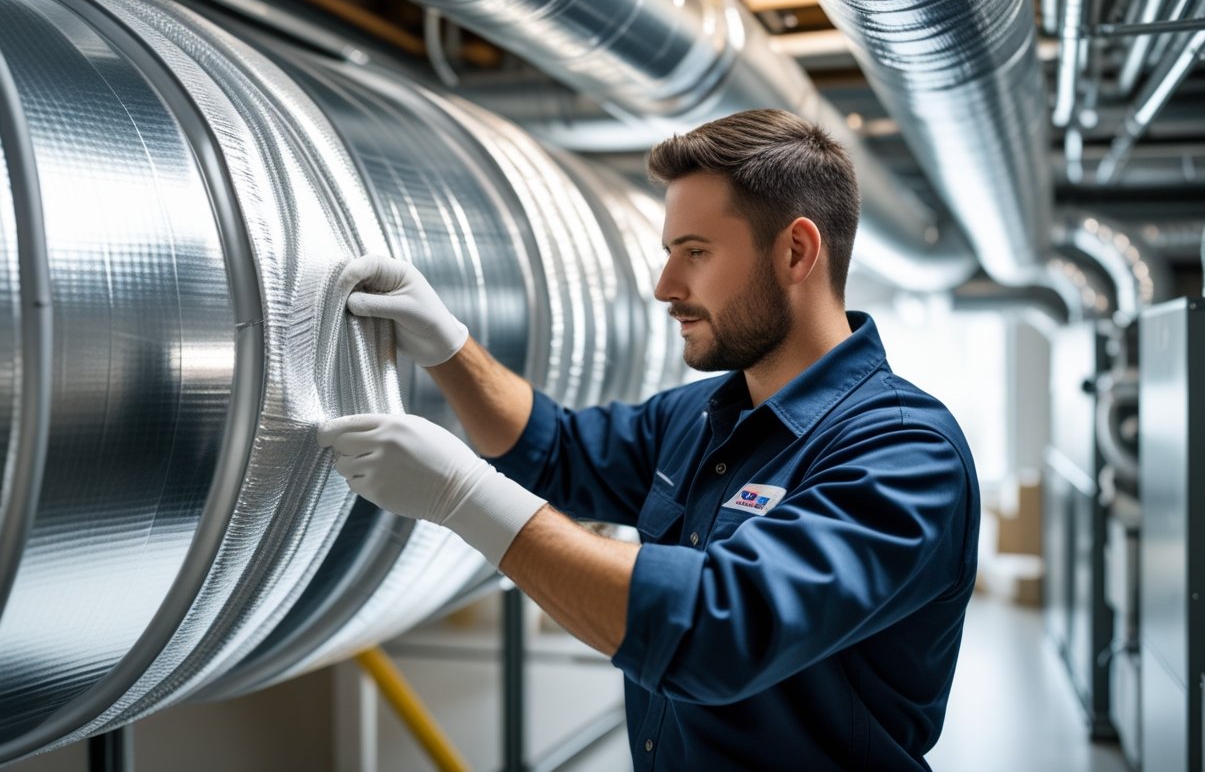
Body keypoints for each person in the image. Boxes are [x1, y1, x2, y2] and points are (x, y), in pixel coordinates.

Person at [317, 108, 980, 771]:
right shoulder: (698, 415)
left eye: (695, 253)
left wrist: (461, 495)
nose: (667, 288)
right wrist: (448, 347)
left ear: (796, 252)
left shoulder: (904, 454)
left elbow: (718, 632)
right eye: (669, 255)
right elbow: (555, 449)